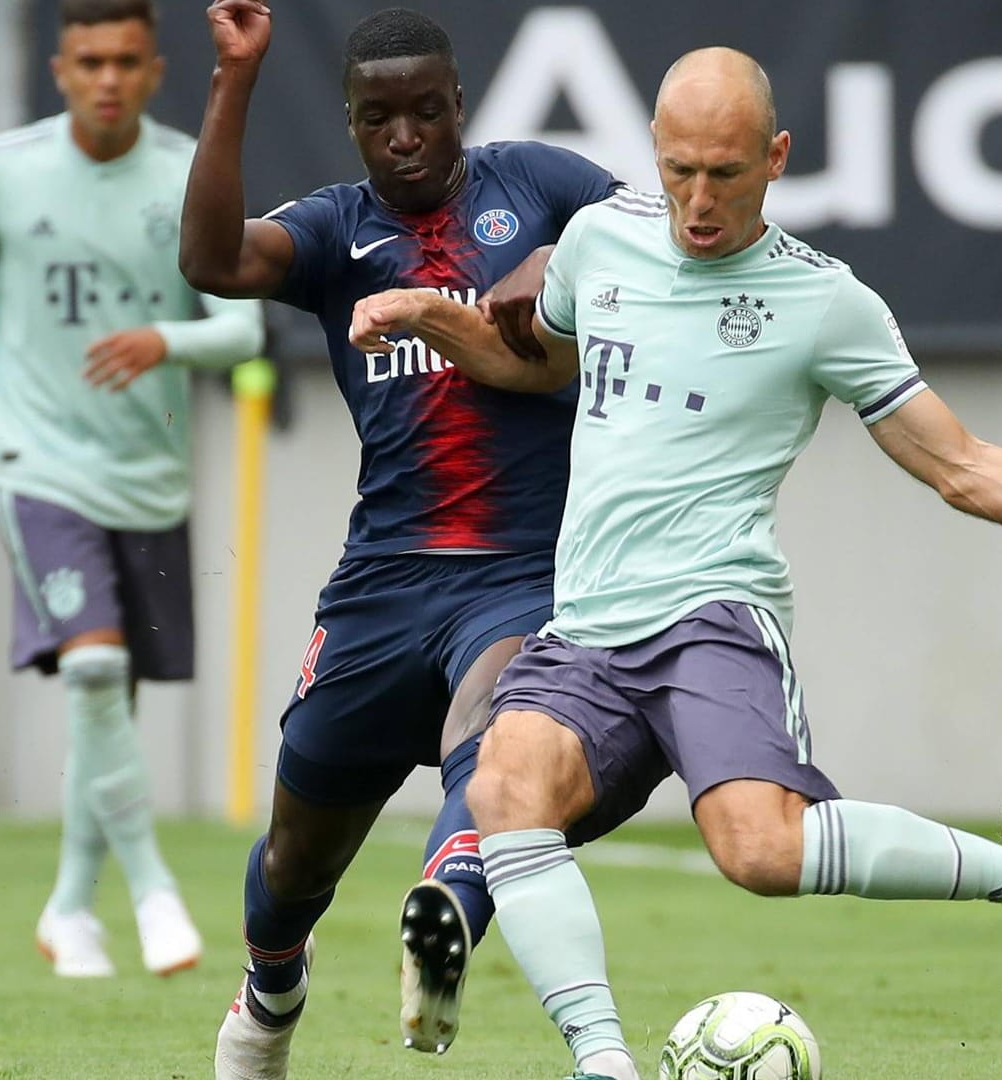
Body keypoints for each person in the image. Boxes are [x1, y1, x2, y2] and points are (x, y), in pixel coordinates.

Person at [348, 48, 1002, 1080]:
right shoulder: (598, 244)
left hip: (713, 617)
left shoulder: (826, 304)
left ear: (777, 157)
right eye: (680, 171)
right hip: (588, 626)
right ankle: (602, 1063)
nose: (700, 202)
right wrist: (430, 313)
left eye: (727, 174)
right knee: (505, 784)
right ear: (653, 156)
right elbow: (544, 362)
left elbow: (962, 467)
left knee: (762, 853)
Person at [179, 2, 620, 1072]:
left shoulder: (542, 186)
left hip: (522, 573)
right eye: (383, 119)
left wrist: (562, 254)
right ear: (353, 124)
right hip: (381, 587)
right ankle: (271, 995)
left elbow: (655, 231)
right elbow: (210, 259)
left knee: (498, 732)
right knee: (294, 860)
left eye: (429, 111)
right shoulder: (335, 231)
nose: (409, 135)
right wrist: (235, 79)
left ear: (461, 105)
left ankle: (448, 922)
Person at [0, 0, 264, 979]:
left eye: (126, 60)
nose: (109, 78)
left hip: (150, 478)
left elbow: (242, 331)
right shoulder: (4, 168)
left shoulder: (182, 176)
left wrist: (167, 338)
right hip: (36, 464)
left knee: (104, 697)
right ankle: (155, 889)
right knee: (90, 672)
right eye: (90, 62)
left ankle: (72, 907)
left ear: (156, 71)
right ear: (61, 68)